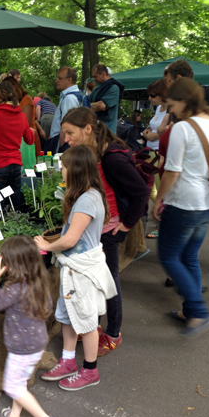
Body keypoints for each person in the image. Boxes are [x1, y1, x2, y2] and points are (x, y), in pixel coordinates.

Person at [59, 107, 149, 355]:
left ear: (87, 129)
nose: (66, 139)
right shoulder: (94, 150)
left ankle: (113, 333)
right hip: (97, 227)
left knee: (108, 282)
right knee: (94, 282)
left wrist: (125, 226)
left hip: (109, 229)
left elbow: (140, 191)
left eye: (70, 133)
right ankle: (93, 328)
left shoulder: (112, 157)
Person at [35, 145, 116, 390]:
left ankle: (90, 371)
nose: (61, 168)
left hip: (80, 271)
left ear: (76, 169)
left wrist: (45, 246)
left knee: (87, 321)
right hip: (73, 270)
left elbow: (70, 240)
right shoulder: (89, 195)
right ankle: (68, 361)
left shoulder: (86, 201)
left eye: (64, 165)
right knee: (69, 315)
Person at [151, 77, 209, 337]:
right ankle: (190, 311)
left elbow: (172, 171)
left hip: (185, 204)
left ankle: (199, 311)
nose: (170, 109)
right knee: (189, 256)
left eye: (171, 104)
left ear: (183, 101)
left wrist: (159, 199)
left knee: (169, 256)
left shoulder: (182, 128)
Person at [0, 236, 58, 417]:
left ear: (14, 265)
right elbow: (49, 308)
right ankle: (14, 416)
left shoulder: (15, 288)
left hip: (22, 349)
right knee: (20, 381)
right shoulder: (39, 281)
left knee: (12, 387)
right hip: (37, 343)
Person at [46, 66, 81, 153]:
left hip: (64, 143)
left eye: (60, 78)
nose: (56, 81)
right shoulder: (79, 95)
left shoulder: (69, 99)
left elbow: (67, 127)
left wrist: (59, 146)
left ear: (69, 80)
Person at [3, 76, 39, 155]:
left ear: (14, 86)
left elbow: (26, 124)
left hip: (28, 141)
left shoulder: (26, 100)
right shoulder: (17, 101)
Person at [89, 64, 124, 134]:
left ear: (103, 74)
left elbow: (101, 106)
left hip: (108, 133)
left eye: (95, 76)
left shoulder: (114, 88)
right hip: (96, 130)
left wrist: (88, 105)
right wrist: (92, 105)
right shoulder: (96, 90)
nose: (94, 79)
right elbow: (85, 101)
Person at [142, 79, 169, 150]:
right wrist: (148, 131)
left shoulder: (172, 110)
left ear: (163, 94)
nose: (149, 98)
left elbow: (173, 133)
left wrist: (155, 136)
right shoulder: (159, 108)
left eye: (152, 95)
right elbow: (156, 125)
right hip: (151, 149)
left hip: (162, 150)